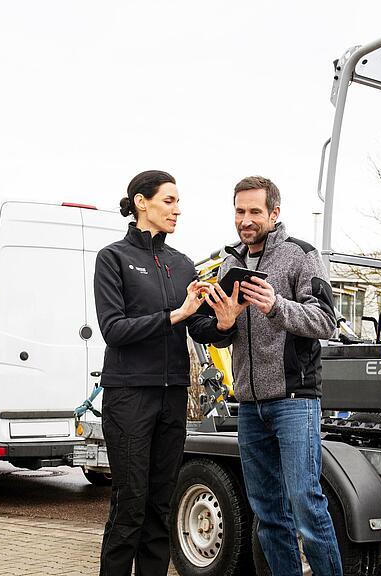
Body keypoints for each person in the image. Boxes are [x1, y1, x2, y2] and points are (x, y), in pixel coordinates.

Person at [93, 170, 233, 576]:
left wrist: (224, 323)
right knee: (130, 504)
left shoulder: (181, 263)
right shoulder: (113, 258)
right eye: (169, 200)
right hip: (129, 396)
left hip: (173, 397)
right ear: (142, 202)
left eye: (178, 201)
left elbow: (200, 327)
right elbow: (113, 329)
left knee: (161, 505)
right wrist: (176, 314)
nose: (177, 209)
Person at [204, 175, 342, 576]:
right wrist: (224, 324)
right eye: (239, 211)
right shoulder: (230, 262)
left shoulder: (301, 256)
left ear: (274, 213)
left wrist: (276, 306)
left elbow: (326, 321)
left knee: (306, 504)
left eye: (254, 212)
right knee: (268, 515)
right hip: (249, 405)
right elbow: (227, 335)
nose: (245, 220)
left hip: (294, 401)